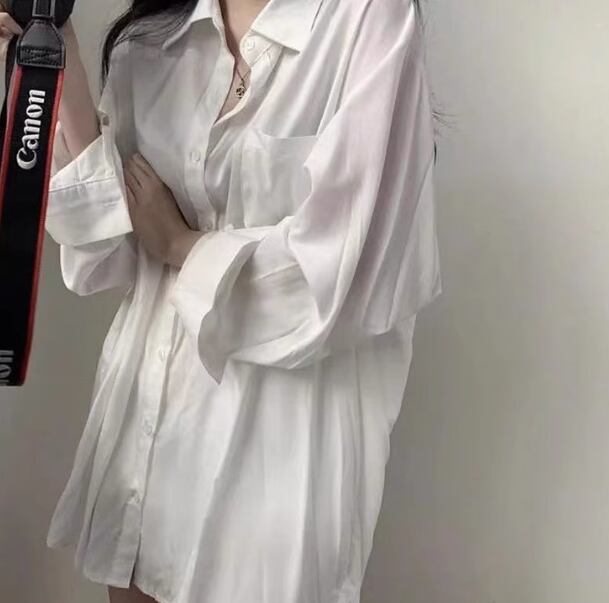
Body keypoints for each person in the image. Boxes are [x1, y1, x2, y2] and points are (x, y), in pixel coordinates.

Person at [1, 0, 442, 601]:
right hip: (144, 449)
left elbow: (351, 276)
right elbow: (111, 249)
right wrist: (56, 46)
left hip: (273, 471)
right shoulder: (156, 32)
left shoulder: (367, 19)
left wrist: (183, 245)